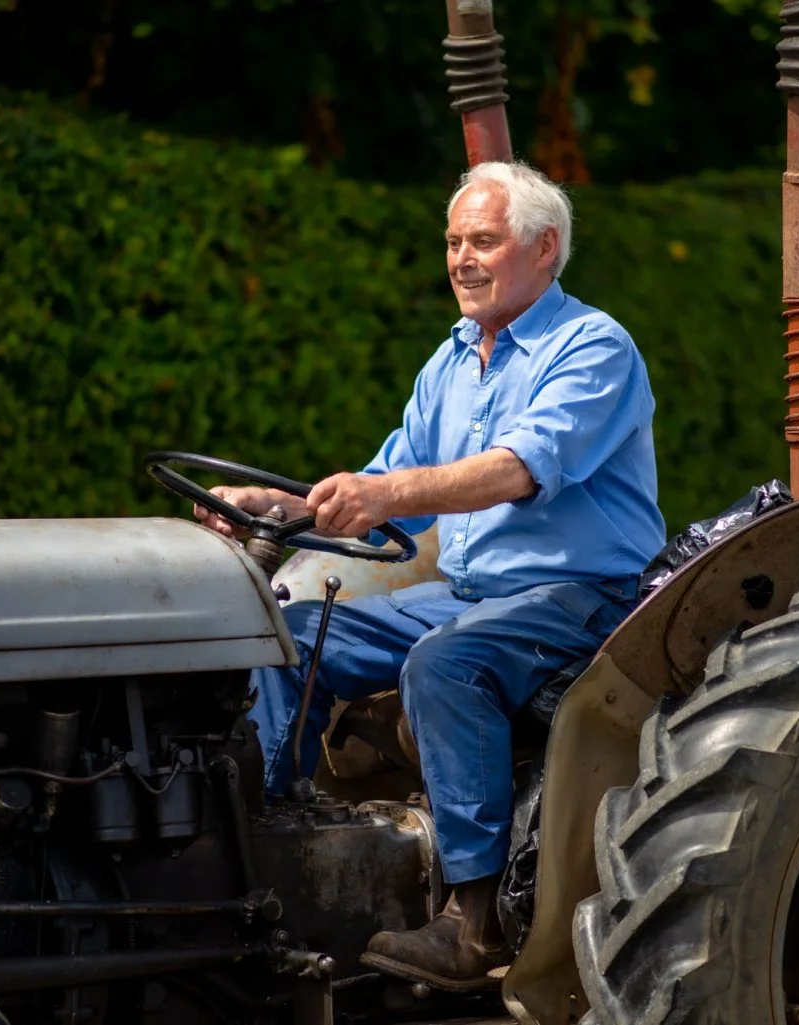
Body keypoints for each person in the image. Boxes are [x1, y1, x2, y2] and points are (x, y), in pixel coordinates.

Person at [193, 160, 664, 991]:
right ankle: (264, 843)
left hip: (582, 599)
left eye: (483, 240)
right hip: (473, 593)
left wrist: (386, 493)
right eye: (453, 242)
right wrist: (280, 504)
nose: (461, 259)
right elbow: (392, 495)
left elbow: (518, 469)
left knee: (446, 662)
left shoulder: (592, 346)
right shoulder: (451, 360)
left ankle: (471, 921)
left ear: (545, 248)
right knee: (288, 634)